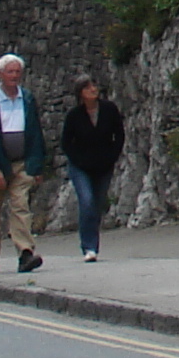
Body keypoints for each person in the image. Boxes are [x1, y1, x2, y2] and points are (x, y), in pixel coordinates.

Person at [0, 52, 48, 274]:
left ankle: (25, 253)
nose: (14, 76)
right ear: (0, 73)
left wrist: (36, 166)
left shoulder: (27, 98)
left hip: (21, 163)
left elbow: (35, 133)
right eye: (10, 72)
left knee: (20, 207)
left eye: (17, 72)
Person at [58, 75, 125, 262]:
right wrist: (78, 160)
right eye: (87, 88)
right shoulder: (74, 116)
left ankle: (93, 243)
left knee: (96, 204)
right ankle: (89, 246)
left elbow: (119, 134)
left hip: (103, 165)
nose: (93, 90)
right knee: (86, 201)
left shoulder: (109, 110)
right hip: (81, 166)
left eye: (94, 86)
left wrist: (112, 156)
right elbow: (66, 143)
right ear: (80, 93)